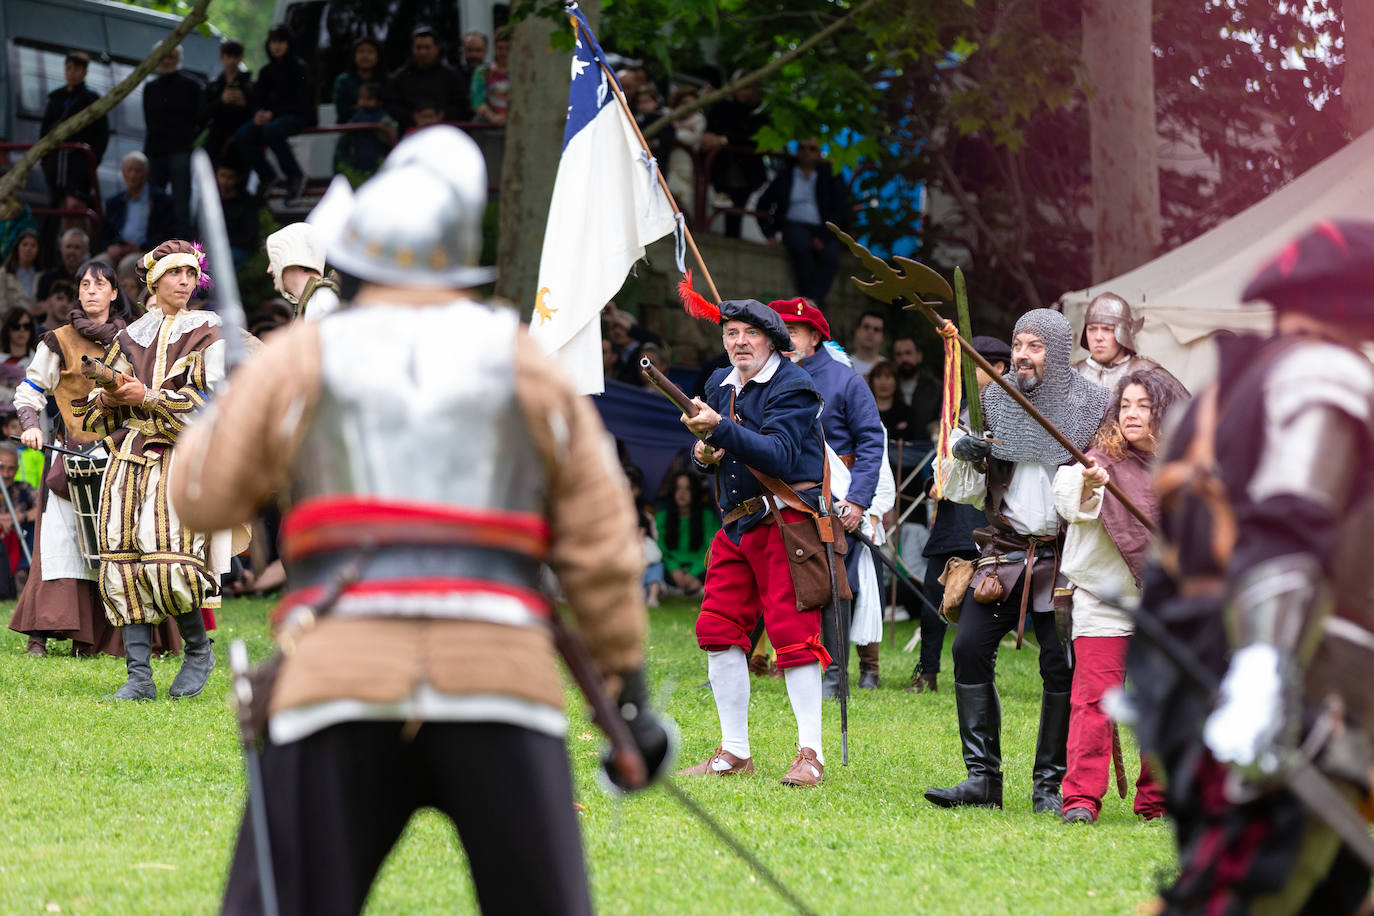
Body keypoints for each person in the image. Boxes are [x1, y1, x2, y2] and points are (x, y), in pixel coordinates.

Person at [165, 125, 668, 915]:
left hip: (338, 674)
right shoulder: (525, 360)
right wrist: (627, 694)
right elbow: (602, 551)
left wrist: (225, 406)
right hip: (500, 677)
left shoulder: (302, 356)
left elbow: (201, 500)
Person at [1129, 220, 1374, 913]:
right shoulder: (1323, 374)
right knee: (1246, 890)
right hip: (1296, 677)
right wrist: (1266, 671)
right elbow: (1291, 526)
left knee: (1323, 894)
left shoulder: (1219, 390)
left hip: (1198, 663)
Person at [923, 309, 1111, 813]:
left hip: (1064, 557)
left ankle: (1049, 786)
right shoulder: (995, 402)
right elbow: (966, 489)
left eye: (1036, 346)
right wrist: (964, 452)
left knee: (1061, 666)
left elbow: (1107, 481)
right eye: (1019, 344)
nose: (1024, 355)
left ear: (1059, 351)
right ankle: (982, 779)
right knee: (967, 649)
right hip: (1004, 554)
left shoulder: (1092, 405)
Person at [676, 298, 833, 787]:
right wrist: (704, 452)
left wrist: (720, 428)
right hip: (736, 527)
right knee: (717, 628)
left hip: (786, 526)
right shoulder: (717, 385)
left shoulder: (795, 386)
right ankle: (734, 751)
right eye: (730, 333)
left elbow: (782, 456)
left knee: (794, 636)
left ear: (772, 340)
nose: (738, 341)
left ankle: (811, 754)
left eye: (749, 333)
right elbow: (717, 456)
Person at [72, 240, 225, 698]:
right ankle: (139, 677)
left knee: (168, 557)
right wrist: (111, 396)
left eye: (190, 274)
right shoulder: (129, 335)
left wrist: (151, 397)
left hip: (179, 456)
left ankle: (198, 651)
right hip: (128, 459)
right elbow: (96, 417)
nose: (184, 282)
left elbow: (216, 404)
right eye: (175, 274)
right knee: (121, 561)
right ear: (154, 281)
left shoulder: (211, 331)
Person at [7, 259, 181, 658]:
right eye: (84, 284)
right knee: (60, 543)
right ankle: (43, 632)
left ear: (114, 293)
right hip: (71, 457)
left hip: (123, 456)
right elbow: (30, 389)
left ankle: (129, 638)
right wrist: (32, 424)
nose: (91, 291)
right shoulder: (57, 340)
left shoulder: (135, 338)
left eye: (99, 285)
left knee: (128, 545)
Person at [1052, 369, 1180, 825]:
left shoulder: (1180, 468)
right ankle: (1081, 800)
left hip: (1163, 605)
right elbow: (1067, 498)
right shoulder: (1098, 461)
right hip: (1104, 600)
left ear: (1162, 412)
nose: (1131, 413)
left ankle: (1158, 800)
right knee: (1095, 702)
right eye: (1125, 404)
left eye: (1143, 405)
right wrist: (1090, 483)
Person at [771, 297, 886, 691]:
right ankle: (793, 663)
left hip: (833, 498)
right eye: (780, 331)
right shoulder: (767, 377)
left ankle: (835, 676)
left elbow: (871, 441)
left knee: (836, 584)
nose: (785, 339)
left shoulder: (845, 380)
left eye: (793, 332)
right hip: (783, 495)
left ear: (815, 336)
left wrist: (857, 501)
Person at [906, 335, 1011, 694]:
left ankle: (981, 675)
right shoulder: (957, 409)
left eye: (978, 365)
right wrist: (931, 484)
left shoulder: (1014, 411)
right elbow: (933, 471)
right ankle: (928, 671)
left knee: (986, 604)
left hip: (989, 526)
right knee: (933, 606)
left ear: (999, 368)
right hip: (951, 525)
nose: (969, 373)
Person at [757, 139, 849, 306]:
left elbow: (841, 209)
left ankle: (812, 301)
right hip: (793, 225)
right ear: (797, 151)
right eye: (803, 148)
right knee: (799, 245)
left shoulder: (831, 176)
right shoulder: (786, 175)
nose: (807, 152)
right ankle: (810, 302)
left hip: (822, 228)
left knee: (832, 255)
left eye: (812, 148)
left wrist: (823, 236)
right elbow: (763, 204)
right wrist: (769, 233)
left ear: (819, 153)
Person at [234, 25, 314, 201]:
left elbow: (302, 102)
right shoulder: (266, 71)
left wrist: (273, 114)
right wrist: (258, 114)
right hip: (271, 119)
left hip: (297, 116)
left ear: (289, 43)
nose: (276, 46)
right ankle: (267, 176)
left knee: (271, 130)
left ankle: (295, 176)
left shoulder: (300, 68)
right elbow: (257, 100)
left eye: (281, 41)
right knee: (243, 134)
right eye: (273, 41)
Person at [142, 44, 205, 235]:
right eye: (164, 56)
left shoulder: (192, 85)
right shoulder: (150, 87)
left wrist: (188, 140)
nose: (167, 60)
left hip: (181, 151)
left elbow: (201, 119)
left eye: (172, 56)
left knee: (181, 205)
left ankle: (181, 250)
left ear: (179, 58)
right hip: (156, 153)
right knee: (154, 203)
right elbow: (149, 120)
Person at [39, 51, 109, 219]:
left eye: (76, 69)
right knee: (58, 206)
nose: (71, 73)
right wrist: (47, 161)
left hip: (78, 165)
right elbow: (45, 131)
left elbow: (101, 135)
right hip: (56, 164)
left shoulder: (91, 99)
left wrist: (90, 162)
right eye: (68, 68)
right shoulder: (56, 98)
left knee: (75, 207)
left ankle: (78, 244)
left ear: (84, 72)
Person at [701, 80, 767, 239]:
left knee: (737, 208)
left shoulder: (759, 113)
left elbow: (754, 137)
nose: (745, 93)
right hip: (721, 168)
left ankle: (733, 237)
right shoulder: (721, 107)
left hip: (746, 171)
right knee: (722, 205)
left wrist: (724, 140)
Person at [1072, 293, 1170, 391]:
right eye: (1092, 329)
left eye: (1107, 329)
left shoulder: (1147, 371)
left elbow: (1182, 405)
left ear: (1125, 334)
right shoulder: (1071, 374)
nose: (1098, 337)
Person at [387, 25, 470, 131]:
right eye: (419, 48)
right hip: (411, 135)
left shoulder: (451, 75)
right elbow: (392, 105)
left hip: (446, 133)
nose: (423, 52)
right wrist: (412, 117)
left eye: (427, 47)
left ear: (437, 49)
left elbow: (462, 104)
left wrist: (441, 116)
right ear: (412, 49)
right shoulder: (400, 77)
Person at [100, 152, 176, 265]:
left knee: (128, 265)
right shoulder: (115, 202)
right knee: (97, 265)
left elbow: (167, 232)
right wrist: (109, 247)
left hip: (146, 251)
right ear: (123, 173)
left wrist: (141, 247)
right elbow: (106, 232)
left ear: (146, 174)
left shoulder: (159, 200)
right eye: (129, 170)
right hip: (119, 249)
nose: (133, 175)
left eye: (137, 171)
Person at [656, 470, 719, 595]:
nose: (682, 493)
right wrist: (674, 569)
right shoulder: (661, 517)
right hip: (670, 570)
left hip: (700, 568)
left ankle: (693, 587)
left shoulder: (707, 516)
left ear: (694, 492)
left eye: (688, 488)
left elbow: (712, 548)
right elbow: (659, 548)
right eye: (678, 488)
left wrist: (693, 573)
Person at [264, 223, 340, 322]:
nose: (269, 269)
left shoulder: (323, 300)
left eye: (273, 261)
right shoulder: (314, 301)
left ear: (289, 257)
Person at [202, 39, 254, 166]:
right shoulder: (213, 86)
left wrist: (243, 104)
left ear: (241, 59)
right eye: (228, 56)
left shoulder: (250, 86)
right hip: (215, 140)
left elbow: (255, 113)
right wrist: (221, 101)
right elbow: (202, 113)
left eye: (235, 57)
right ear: (222, 57)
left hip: (239, 140)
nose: (232, 61)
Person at [0, 441, 37, 589]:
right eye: (1, 467)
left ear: (16, 469)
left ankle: (23, 572)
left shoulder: (23, 488)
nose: (6, 474)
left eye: (11, 469)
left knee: (36, 525)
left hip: (19, 546)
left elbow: (43, 508)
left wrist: (21, 516)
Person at [214, 161, 261, 272]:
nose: (225, 181)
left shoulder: (247, 202)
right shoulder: (211, 201)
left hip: (237, 249)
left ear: (237, 179)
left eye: (230, 177)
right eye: (222, 176)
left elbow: (249, 235)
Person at [666, 86, 706, 210]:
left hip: (686, 168)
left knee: (683, 202)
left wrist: (674, 129)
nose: (689, 108)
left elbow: (687, 138)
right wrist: (678, 128)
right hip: (666, 164)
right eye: (685, 103)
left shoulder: (699, 119)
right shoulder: (667, 115)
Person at [893, 335, 941, 435]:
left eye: (908, 353)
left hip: (927, 447)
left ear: (919, 356)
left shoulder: (935, 387)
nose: (904, 358)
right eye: (899, 354)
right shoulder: (888, 387)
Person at [332, 36, 383, 124]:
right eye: (361, 51)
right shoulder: (343, 80)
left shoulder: (385, 80)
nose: (365, 56)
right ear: (354, 55)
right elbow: (342, 110)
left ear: (377, 56)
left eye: (370, 52)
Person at [36, 229, 89, 306]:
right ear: (61, 248)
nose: (72, 251)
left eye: (77, 247)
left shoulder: (92, 280)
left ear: (85, 251)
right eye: (68, 246)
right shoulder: (47, 279)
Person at [470, 28, 510, 125]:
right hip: (488, 124)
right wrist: (493, 117)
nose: (503, 52)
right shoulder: (483, 71)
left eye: (507, 48)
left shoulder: (520, 73)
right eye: (500, 48)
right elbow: (477, 101)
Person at [1, 229, 42, 316]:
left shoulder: (42, 276)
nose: (28, 249)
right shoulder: (3, 274)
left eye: (33, 245)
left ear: (38, 250)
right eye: (24, 244)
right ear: (17, 247)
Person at [848, 309, 886, 379]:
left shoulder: (888, 369)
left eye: (876, 329)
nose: (870, 332)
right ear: (857, 331)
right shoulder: (844, 366)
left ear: (882, 336)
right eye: (866, 327)